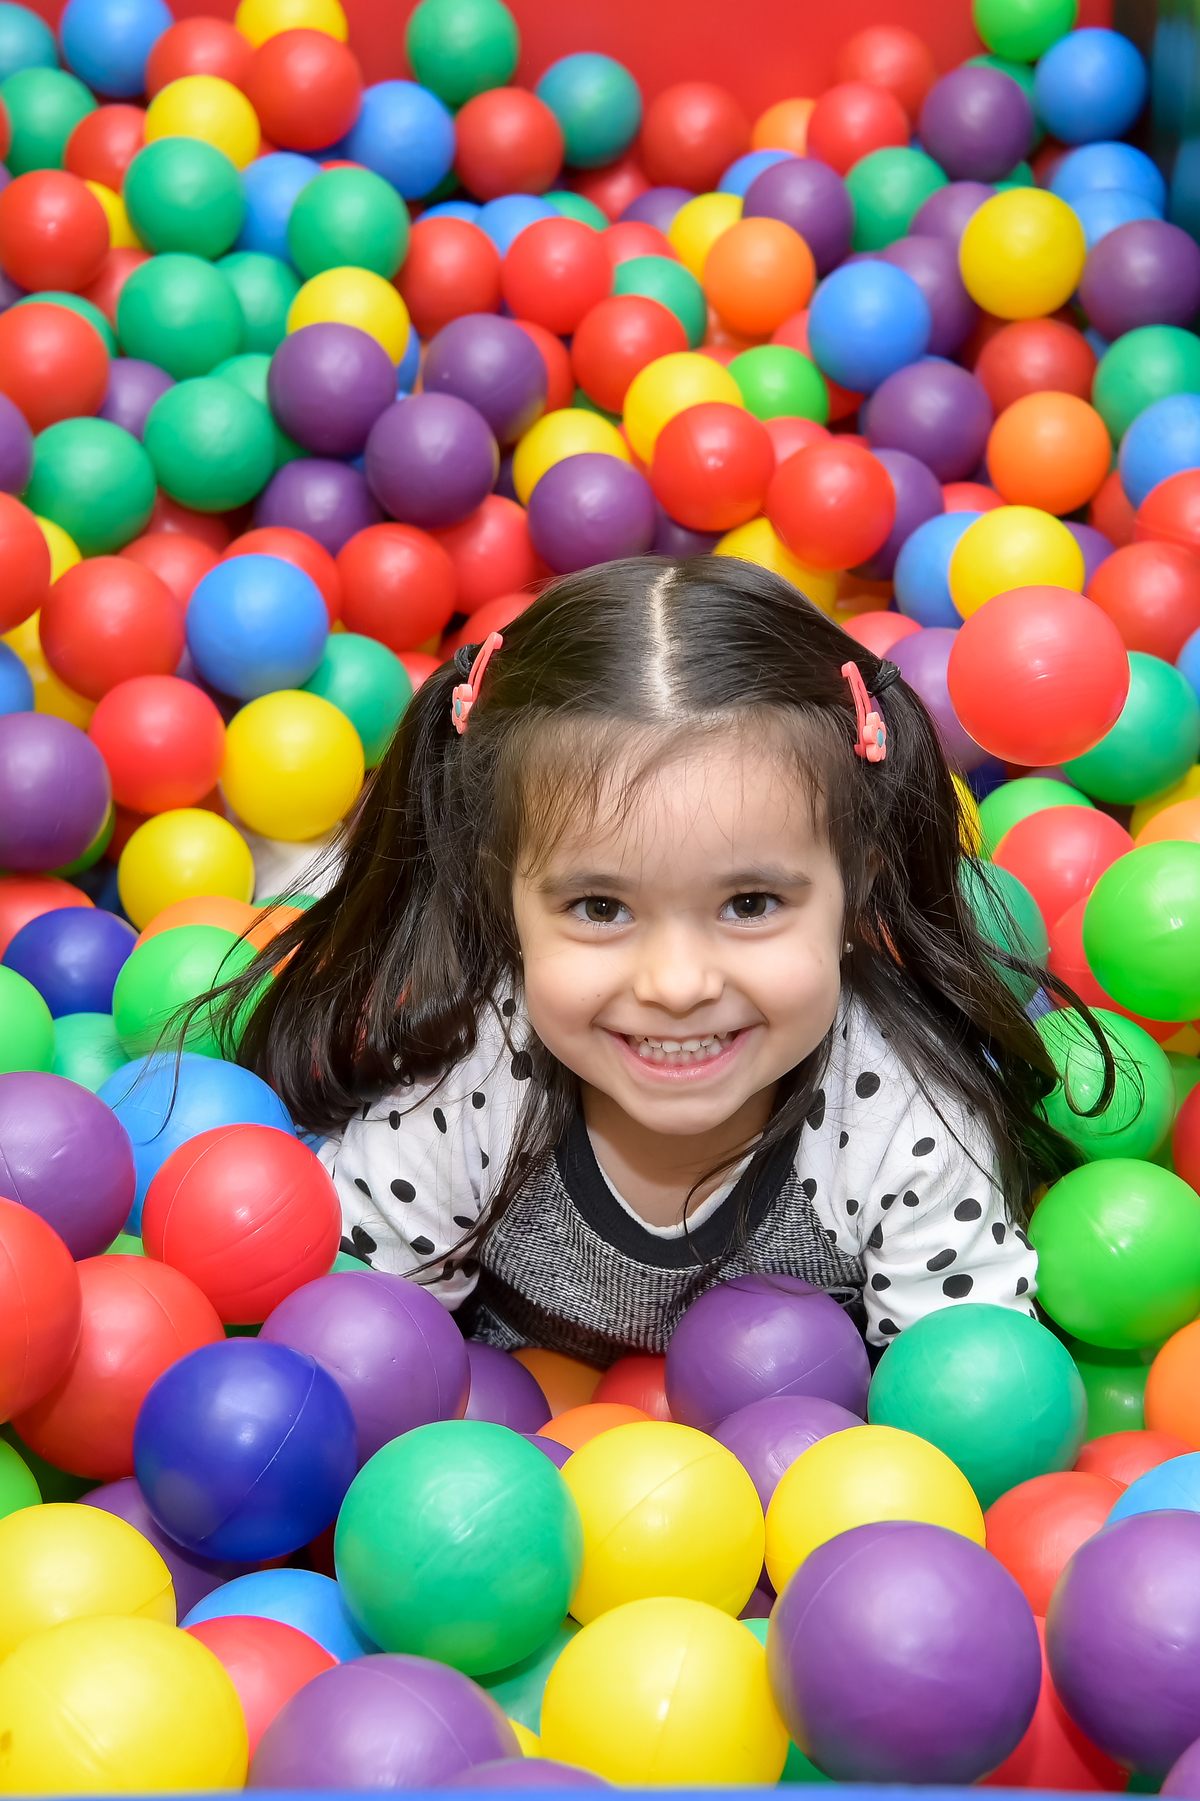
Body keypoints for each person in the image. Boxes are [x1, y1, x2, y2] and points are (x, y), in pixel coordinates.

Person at [216, 555, 1094, 1364]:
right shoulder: (467, 1078)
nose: (676, 985)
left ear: (856, 893)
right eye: (601, 908)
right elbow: (346, 1349)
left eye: (751, 903)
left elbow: (970, 1395)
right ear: (502, 899)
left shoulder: (901, 1121)